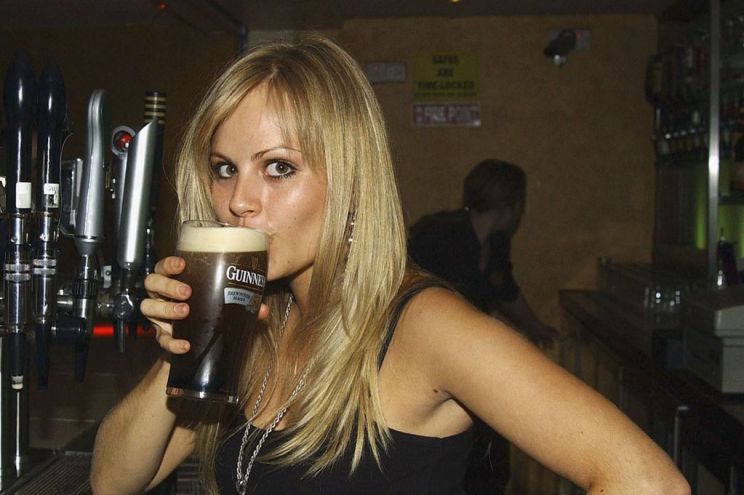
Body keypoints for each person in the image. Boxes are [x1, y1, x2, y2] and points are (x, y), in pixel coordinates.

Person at [89, 35, 690, 495]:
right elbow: (113, 481)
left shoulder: (424, 327)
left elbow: (648, 482)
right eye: (225, 168)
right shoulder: (255, 322)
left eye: (278, 167)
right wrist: (183, 345)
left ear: (351, 184)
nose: (239, 200)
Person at [408, 160, 556, 495]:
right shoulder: (437, 236)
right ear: (510, 204)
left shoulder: (496, 244)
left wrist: (536, 328)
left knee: (490, 460)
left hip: (471, 362)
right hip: (429, 365)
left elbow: (504, 290)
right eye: (521, 204)